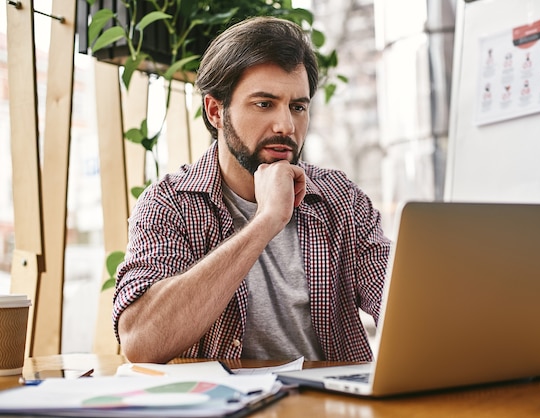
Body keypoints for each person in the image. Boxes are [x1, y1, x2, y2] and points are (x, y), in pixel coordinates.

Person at [113, 16, 391, 364]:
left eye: (298, 107)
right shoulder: (168, 203)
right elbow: (141, 342)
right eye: (264, 104)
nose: (286, 125)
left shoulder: (341, 199)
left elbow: (403, 309)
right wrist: (266, 221)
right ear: (216, 111)